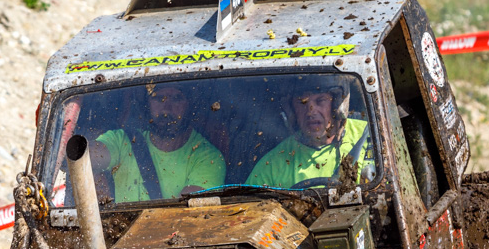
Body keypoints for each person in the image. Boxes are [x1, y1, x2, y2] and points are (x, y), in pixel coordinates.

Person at [68, 83, 225, 202]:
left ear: (189, 105)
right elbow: (84, 157)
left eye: (177, 98)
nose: (167, 109)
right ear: (147, 105)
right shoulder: (122, 141)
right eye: (158, 98)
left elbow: (185, 214)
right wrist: (93, 173)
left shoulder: (208, 157)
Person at [245, 81, 374, 189]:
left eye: (320, 101)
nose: (311, 112)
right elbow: (248, 209)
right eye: (302, 102)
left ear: (337, 105)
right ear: (292, 110)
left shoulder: (371, 137)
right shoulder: (273, 165)